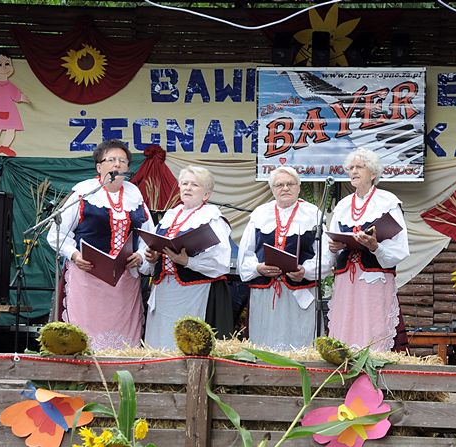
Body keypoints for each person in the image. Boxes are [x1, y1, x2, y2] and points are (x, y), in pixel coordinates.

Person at [47, 139, 153, 350]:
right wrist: (75, 255)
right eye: (111, 160)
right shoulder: (83, 194)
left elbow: (149, 236)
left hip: (124, 282)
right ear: (99, 166)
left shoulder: (135, 196)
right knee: (86, 333)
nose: (117, 165)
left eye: (122, 161)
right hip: (87, 279)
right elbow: (56, 234)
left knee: (122, 338)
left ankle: (121, 376)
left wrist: (141, 255)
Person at [139, 166, 233, 350]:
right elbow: (151, 253)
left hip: (193, 291)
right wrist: (151, 257)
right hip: (163, 291)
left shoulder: (212, 218)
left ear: (206, 194)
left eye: (194, 184)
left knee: (185, 339)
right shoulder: (170, 216)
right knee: (160, 339)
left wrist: (188, 261)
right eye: (185, 183)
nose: (188, 188)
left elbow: (221, 262)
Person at [325, 148, 409, 352]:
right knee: (346, 325)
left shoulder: (387, 202)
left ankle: (372, 373)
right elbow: (331, 244)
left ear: (373, 173)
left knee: (373, 328)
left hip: (374, 279)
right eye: (351, 167)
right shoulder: (343, 205)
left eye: (359, 167)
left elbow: (400, 248)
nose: (353, 171)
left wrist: (375, 247)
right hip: (347, 281)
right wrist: (334, 247)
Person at [238, 166, 329, 350]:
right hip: (266, 292)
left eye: (290, 184)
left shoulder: (313, 214)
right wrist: (258, 268)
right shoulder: (260, 214)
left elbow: (325, 257)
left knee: (299, 341)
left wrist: (305, 270)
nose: (285, 188)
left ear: (298, 187)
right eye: (279, 185)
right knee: (265, 340)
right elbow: (245, 254)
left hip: (299, 292)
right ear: (272, 189)